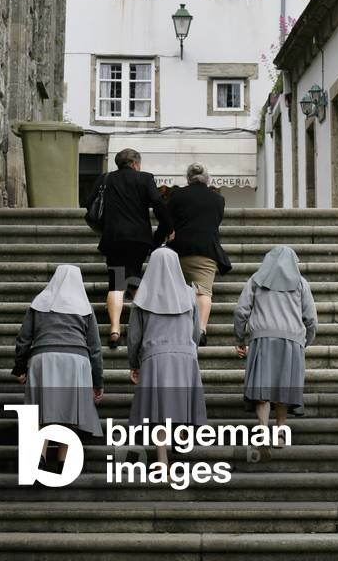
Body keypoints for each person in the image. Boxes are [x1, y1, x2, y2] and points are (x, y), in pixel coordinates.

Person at [12, 264, 103, 470]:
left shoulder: (39, 303)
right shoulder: (84, 307)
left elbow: (24, 339)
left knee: (40, 408)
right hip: (76, 361)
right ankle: (63, 460)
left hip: (43, 358)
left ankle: (39, 455)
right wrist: (98, 382)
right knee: (70, 409)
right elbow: (95, 348)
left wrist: (20, 368)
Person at [127, 246, 207, 466]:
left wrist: (134, 363)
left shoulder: (142, 296)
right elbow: (195, 328)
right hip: (185, 355)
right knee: (180, 400)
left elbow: (134, 335)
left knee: (159, 411)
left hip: (155, 357)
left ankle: (162, 460)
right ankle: (181, 434)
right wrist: (192, 353)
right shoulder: (189, 293)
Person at [233, 245, 317, 450]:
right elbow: (311, 318)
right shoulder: (301, 284)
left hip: (262, 339)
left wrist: (240, 339)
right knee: (284, 387)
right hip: (291, 340)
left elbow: (240, 311)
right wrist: (306, 341)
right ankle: (279, 434)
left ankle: (262, 431)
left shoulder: (256, 280)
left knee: (263, 387)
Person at [86, 147, 171, 349]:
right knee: (132, 274)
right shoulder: (144, 178)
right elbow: (159, 206)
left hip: (114, 238)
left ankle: (115, 329)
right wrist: (162, 233)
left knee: (117, 280)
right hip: (138, 239)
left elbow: (89, 206)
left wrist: (104, 227)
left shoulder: (105, 179)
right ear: (134, 163)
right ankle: (150, 323)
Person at [166, 162, 232, 345]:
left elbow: (167, 218)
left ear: (188, 178)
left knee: (180, 290)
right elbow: (216, 221)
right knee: (203, 291)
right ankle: (201, 329)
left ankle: (181, 327)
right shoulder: (218, 199)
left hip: (179, 250)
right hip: (206, 250)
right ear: (207, 178)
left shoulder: (177, 195)